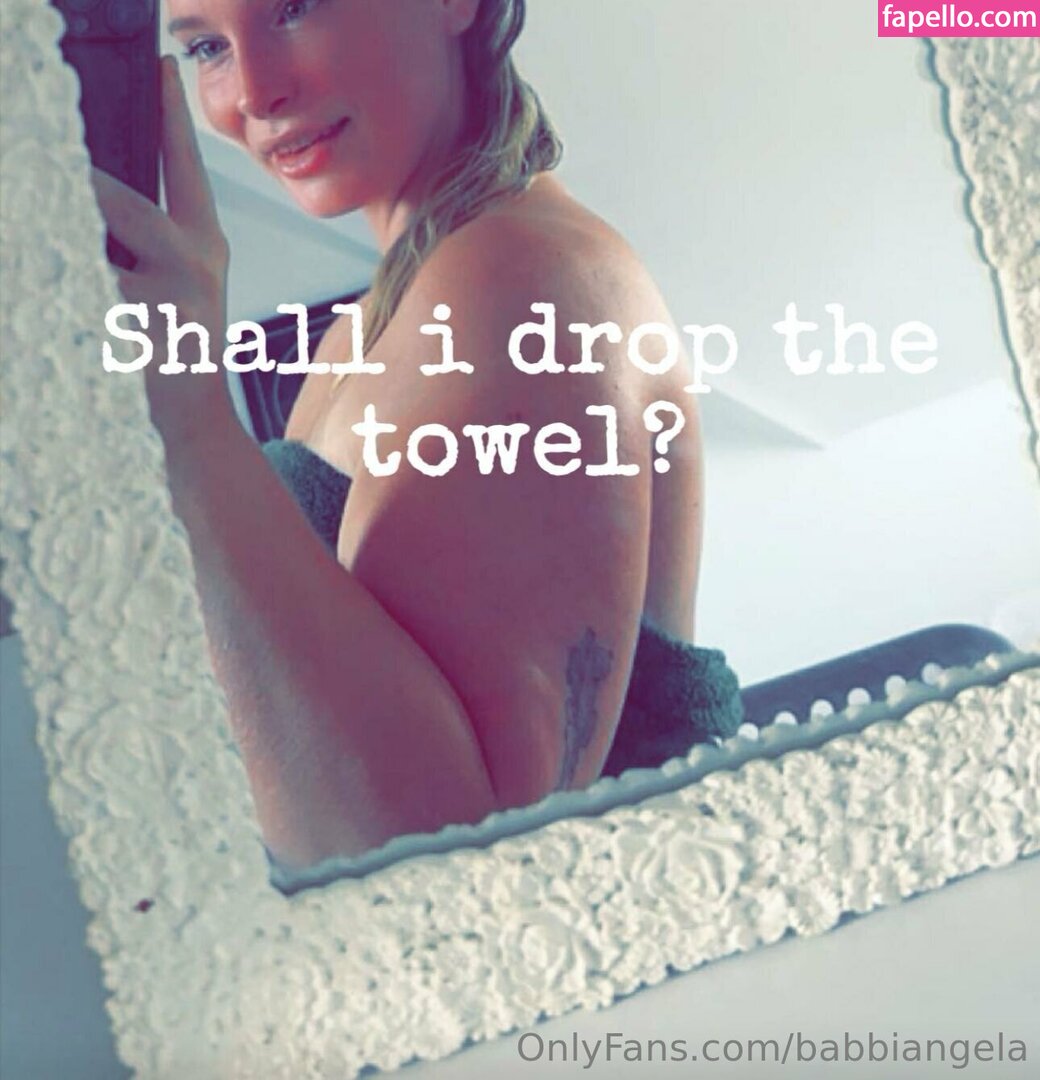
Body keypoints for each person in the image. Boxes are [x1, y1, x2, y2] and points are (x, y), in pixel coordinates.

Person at [91, 0, 742, 875]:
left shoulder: (525, 276)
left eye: (294, 7)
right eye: (208, 46)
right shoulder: (355, 337)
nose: (253, 92)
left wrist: (182, 416)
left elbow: (461, 868)